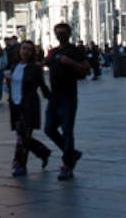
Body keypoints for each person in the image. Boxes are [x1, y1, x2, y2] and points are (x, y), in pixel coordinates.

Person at [44, 23, 89, 181]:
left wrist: (71, 63)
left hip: (68, 96)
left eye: (62, 32)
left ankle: (67, 165)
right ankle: (71, 153)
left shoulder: (75, 51)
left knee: (67, 129)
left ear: (69, 34)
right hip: (54, 96)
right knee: (49, 129)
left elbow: (86, 69)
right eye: (57, 33)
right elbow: (43, 64)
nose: (60, 35)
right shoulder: (53, 52)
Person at [8, 41, 51, 177]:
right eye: (23, 48)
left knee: (23, 136)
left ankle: (21, 165)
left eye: (29, 50)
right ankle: (43, 152)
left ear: (32, 53)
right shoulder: (14, 66)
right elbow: (12, 84)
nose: (25, 51)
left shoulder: (34, 68)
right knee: (22, 135)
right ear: (19, 51)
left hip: (29, 105)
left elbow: (42, 86)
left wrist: (52, 98)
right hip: (15, 105)